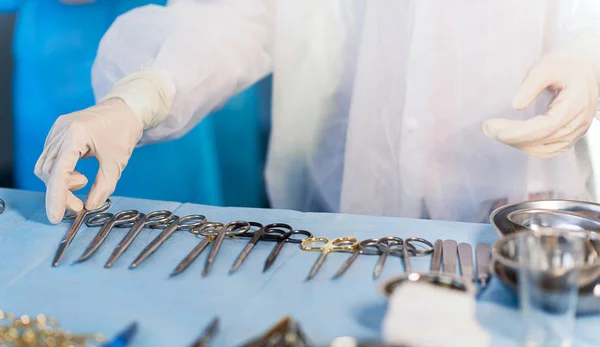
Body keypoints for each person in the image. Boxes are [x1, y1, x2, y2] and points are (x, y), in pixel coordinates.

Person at [37, 0, 600, 224]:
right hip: (352, 215)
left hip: (518, 207)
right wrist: (141, 96)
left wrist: (588, 58)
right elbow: (244, 14)